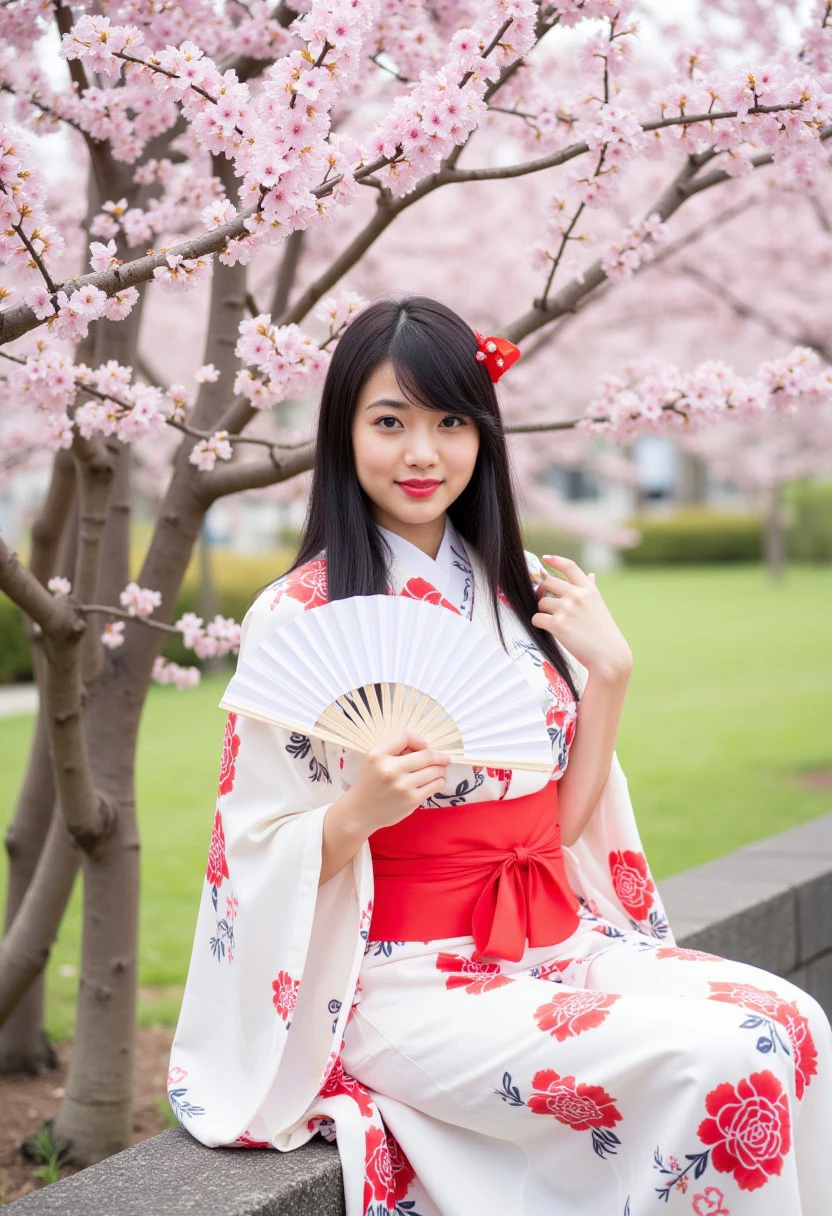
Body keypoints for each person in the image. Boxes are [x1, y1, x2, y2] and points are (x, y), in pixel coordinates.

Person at [168, 295, 832, 1216]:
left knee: (793, 1023)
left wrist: (613, 676)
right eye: (389, 421)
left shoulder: (517, 595)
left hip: (549, 939)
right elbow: (248, 853)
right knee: (726, 1061)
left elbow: (561, 825)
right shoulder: (297, 615)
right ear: (342, 431)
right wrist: (359, 813)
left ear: (484, 436)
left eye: (450, 422)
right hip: (402, 974)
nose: (422, 454)